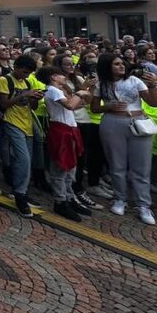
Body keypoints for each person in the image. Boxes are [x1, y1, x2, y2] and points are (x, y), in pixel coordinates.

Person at [91, 53, 157, 225]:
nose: (121, 66)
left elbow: (153, 103)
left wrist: (153, 86)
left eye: (122, 63)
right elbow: (94, 108)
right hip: (112, 122)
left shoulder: (135, 81)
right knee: (116, 164)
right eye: (116, 64)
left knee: (142, 166)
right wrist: (107, 106)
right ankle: (120, 198)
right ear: (107, 67)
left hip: (138, 122)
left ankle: (143, 205)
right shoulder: (102, 84)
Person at [38, 66, 91, 222]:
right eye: (61, 75)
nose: (64, 77)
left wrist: (83, 92)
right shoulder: (53, 91)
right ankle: (61, 201)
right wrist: (80, 93)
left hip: (68, 129)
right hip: (61, 130)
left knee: (70, 167)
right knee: (61, 168)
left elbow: (78, 105)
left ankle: (68, 197)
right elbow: (69, 105)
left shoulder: (59, 91)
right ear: (54, 76)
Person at [0, 55, 43, 218]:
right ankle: (20, 194)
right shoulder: (5, 80)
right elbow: (4, 104)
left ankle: (21, 190)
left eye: (29, 73)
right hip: (12, 122)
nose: (26, 75)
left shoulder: (28, 82)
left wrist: (35, 98)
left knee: (25, 161)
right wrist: (23, 95)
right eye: (24, 72)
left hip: (27, 123)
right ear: (15, 67)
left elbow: (33, 107)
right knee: (23, 159)